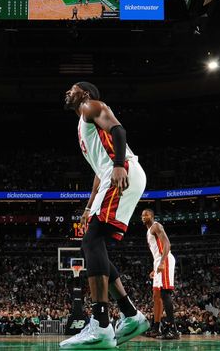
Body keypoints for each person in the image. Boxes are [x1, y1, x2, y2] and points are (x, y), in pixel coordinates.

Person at [61, 82, 148, 349]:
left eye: (72, 89)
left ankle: (101, 324)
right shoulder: (84, 126)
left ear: (85, 94)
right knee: (93, 242)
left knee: (91, 241)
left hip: (121, 170)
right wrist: (89, 208)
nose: (68, 92)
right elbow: (99, 173)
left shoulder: (91, 106)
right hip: (113, 173)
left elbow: (119, 129)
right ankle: (131, 315)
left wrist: (120, 165)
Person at [141, 208, 178, 340]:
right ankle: (156, 327)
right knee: (156, 296)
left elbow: (167, 244)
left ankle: (173, 330)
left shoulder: (156, 226)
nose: (143, 217)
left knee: (165, 293)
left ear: (152, 216)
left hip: (165, 259)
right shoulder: (148, 231)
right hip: (158, 261)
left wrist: (162, 262)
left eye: (146, 214)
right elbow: (156, 251)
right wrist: (155, 266)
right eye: (142, 215)